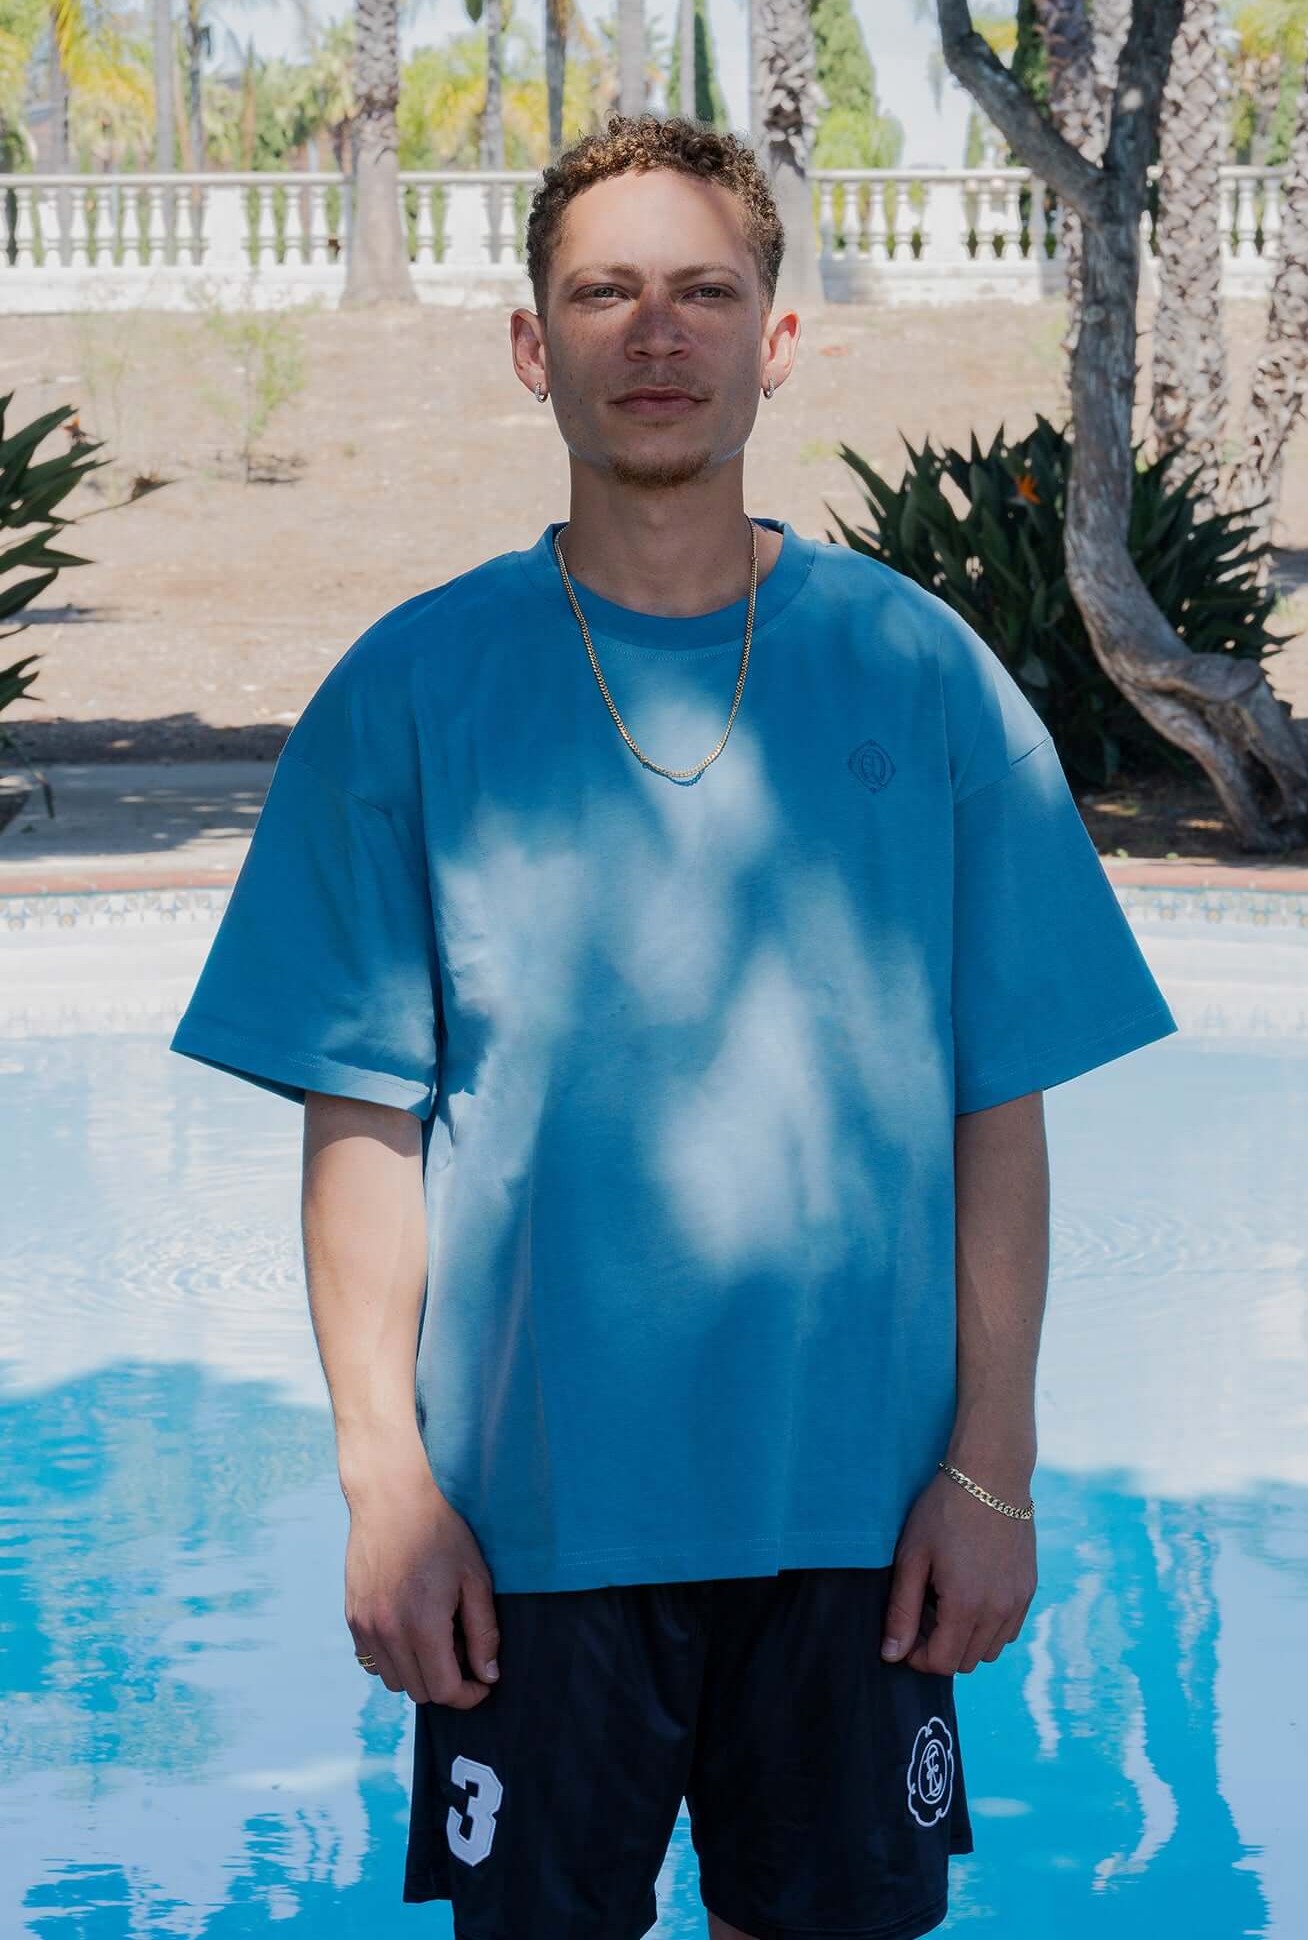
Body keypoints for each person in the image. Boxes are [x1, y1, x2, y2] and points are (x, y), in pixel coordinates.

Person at [169, 113, 1180, 1940]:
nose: (657, 334)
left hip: (859, 1532)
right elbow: (362, 1128)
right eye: (604, 293)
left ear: (775, 340)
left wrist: (993, 1472)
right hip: (534, 1539)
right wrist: (384, 1478)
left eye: (704, 292)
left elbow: (996, 1115)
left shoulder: (918, 672)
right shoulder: (410, 694)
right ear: (530, 343)